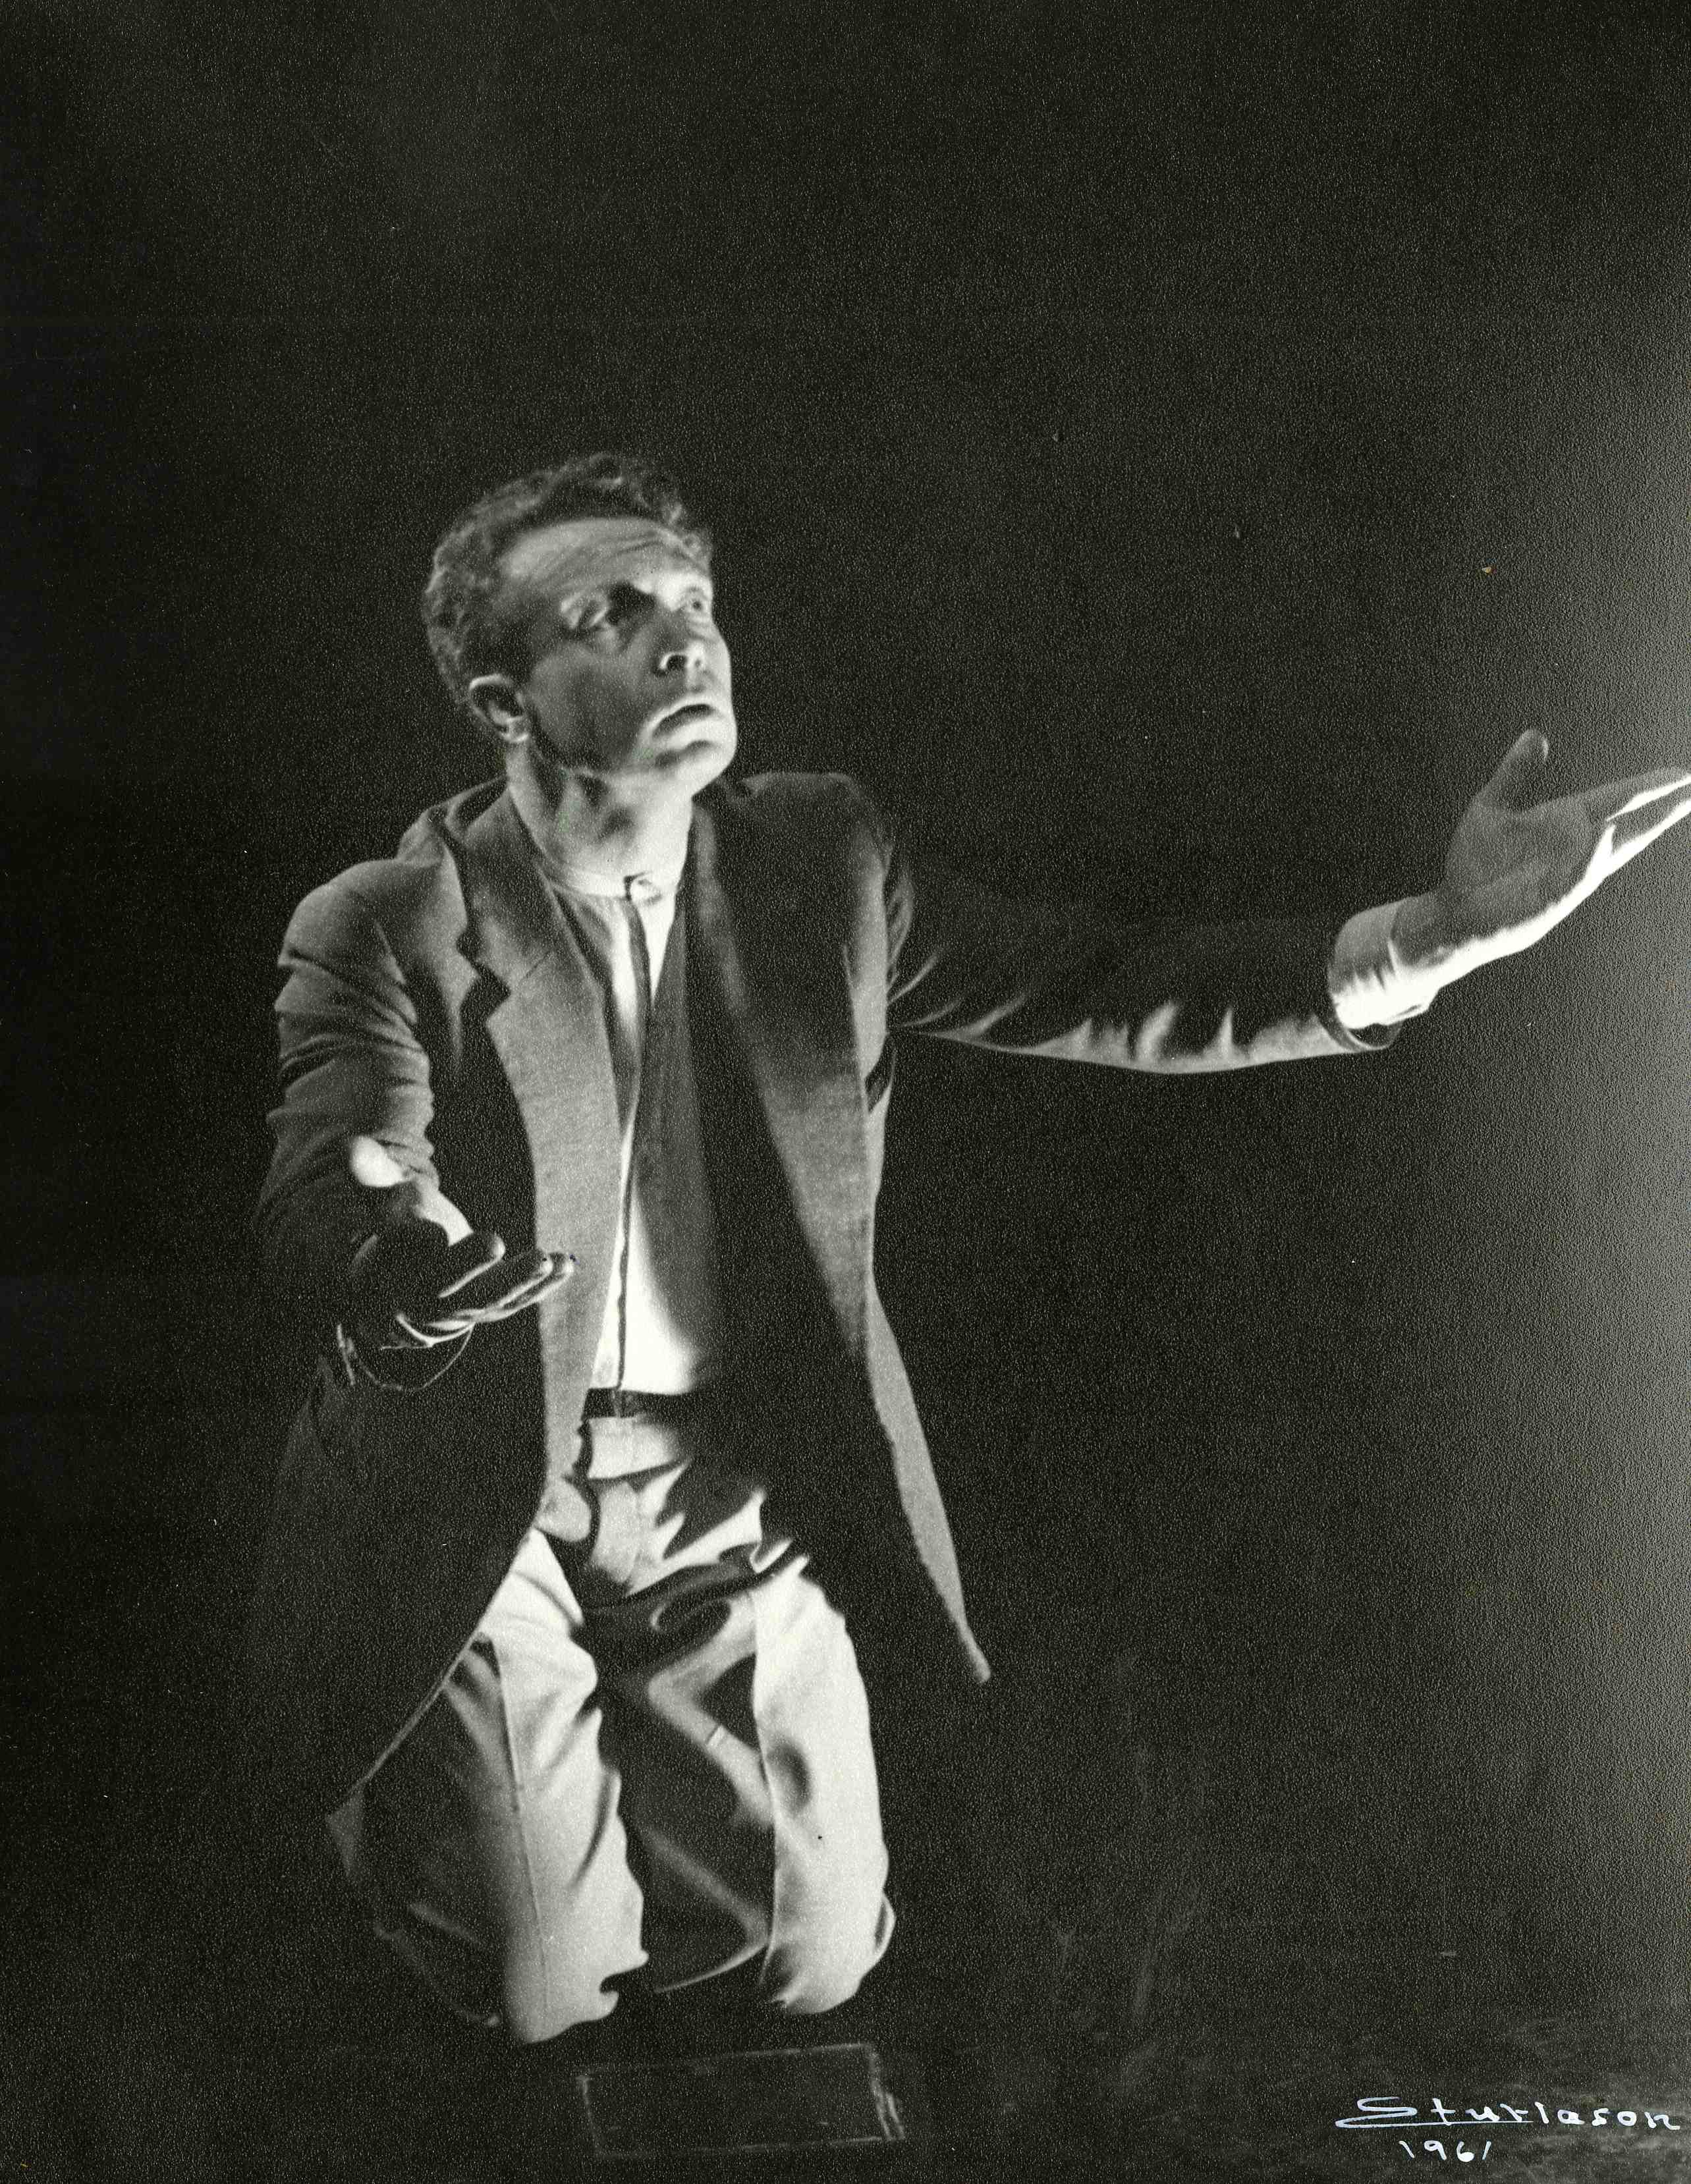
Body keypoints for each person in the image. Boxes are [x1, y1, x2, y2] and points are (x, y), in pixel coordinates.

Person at [242, 450, 1691, 2048]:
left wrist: (1437, 933)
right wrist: (398, 1265)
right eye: (614, 613)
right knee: (535, 1981)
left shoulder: (821, 862)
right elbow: (336, 1163)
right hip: (474, 1477)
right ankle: (421, 1799)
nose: (686, 638)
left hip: (726, 1472)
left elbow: (1102, 980)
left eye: (697, 602)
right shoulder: (388, 918)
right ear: (503, 701)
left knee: (803, 1960)